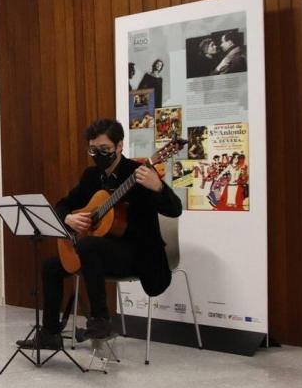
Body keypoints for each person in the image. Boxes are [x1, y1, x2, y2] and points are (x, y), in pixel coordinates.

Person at [17, 118, 182, 349]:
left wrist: (158, 187)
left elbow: (175, 210)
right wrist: (68, 218)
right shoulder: (91, 176)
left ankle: (101, 321)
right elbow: (64, 204)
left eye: (104, 149)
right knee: (51, 267)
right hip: (101, 253)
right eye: (93, 150)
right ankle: (50, 334)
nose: (98, 155)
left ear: (119, 146)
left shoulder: (139, 173)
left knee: (88, 246)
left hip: (139, 254)